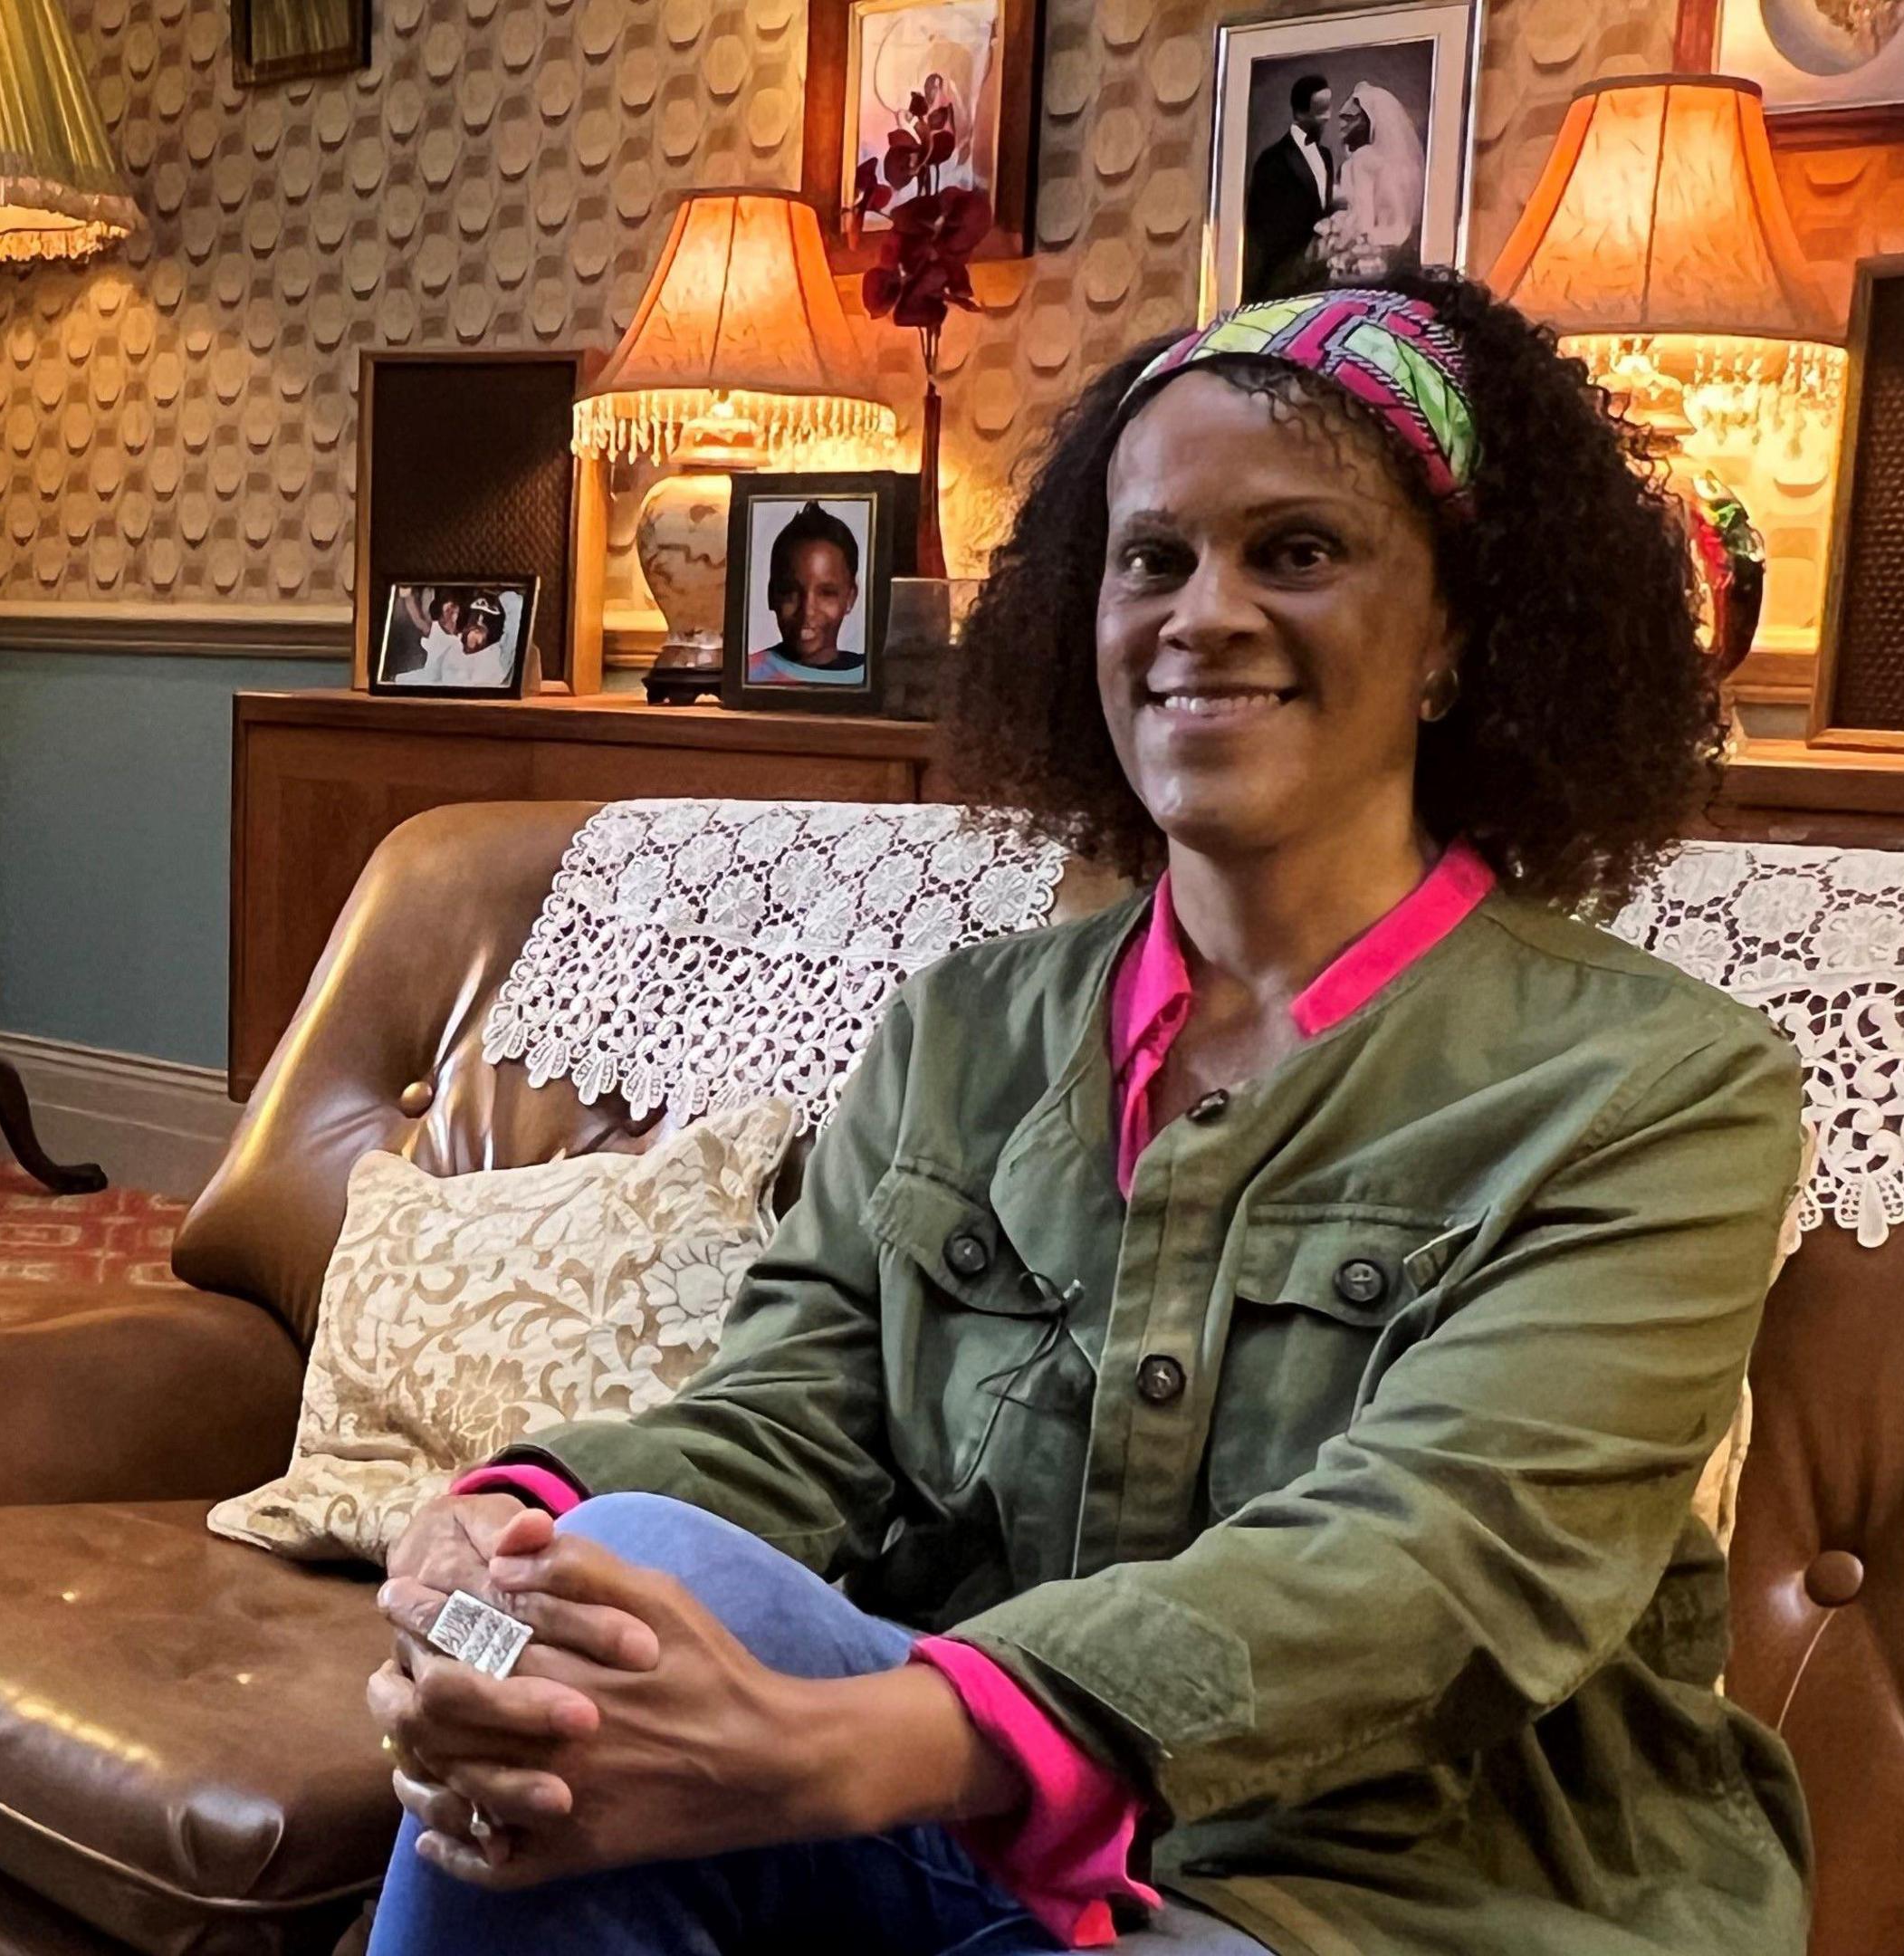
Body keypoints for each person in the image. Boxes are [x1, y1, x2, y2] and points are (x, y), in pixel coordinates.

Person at [363, 274, 1807, 1956]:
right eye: (1153, 558)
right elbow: (791, 1416)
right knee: (582, 1610)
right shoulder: (963, 1030)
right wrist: (504, 1542)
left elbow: (1438, 1566)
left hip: (1405, 1904)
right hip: (969, 1848)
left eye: (1297, 551)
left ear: (1456, 638)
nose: (1203, 614)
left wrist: (859, 1746)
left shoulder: (1658, 1088)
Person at [746, 502, 866, 686]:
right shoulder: (750, 674)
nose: (807, 611)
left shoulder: (872, 677)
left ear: (850, 598)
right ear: (771, 595)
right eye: (790, 592)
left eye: (827, 593)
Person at [1239, 75, 1334, 301]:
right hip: (1282, 280)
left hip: (1319, 279)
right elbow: (1261, 229)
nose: (1328, 117)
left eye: (1329, 109)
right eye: (1321, 110)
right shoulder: (1272, 160)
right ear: (1300, 114)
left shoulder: (1326, 156)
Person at [1316, 85, 1423, 280]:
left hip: (1364, 253)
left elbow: (1363, 220)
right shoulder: (1395, 165)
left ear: (1372, 122)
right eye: (1344, 118)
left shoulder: (1362, 160)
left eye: (1351, 118)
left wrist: (1342, 241)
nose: (1342, 124)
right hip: (1391, 254)